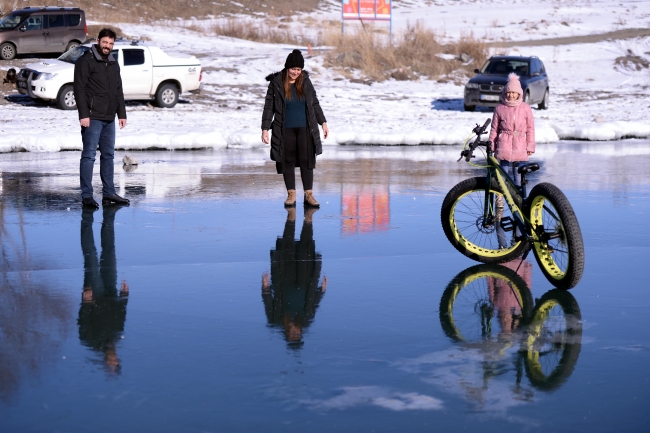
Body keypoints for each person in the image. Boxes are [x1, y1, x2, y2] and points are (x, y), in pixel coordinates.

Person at [261, 49, 329, 208]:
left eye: (298, 70)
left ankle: (309, 194)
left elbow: (314, 103)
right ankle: (291, 194)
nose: (295, 73)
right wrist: (265, 128)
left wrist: (323, 122)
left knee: (307, 161)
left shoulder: (305, 81)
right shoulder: (276, 83)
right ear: (287, 68)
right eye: (293, 69)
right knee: (287, 161)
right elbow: (268, 107)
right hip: (284, 129)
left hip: (305, 128)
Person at [74, 28, 129, 209]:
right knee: (89, 155)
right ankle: (87, 196)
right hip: (92, 116)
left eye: (111, 44)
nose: (107, 46)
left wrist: (121, 113)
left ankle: (109, 193)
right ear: (98, 40)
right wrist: (83, 114)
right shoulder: (85, 61)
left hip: (109, 117)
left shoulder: (114, 63)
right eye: (105, 42)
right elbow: (79, 89)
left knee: (108, 156)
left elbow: (118, 90)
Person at [261, 207, 327, 348]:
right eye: (298, 335)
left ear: (287, 334)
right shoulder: (306, 319)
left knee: (287, 248)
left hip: (284, 281)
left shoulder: (276, 319)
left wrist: (265, 288)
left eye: (293, 336)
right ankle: (308, 221)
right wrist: (321, 290)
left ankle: (291, 219)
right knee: (305, 248)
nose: (296, 332)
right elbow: (313, 303)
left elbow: (268, 302)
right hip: (305, 281)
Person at [78, 205, 130, 374]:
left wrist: (86, 303)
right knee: (110, 251)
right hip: (111, 291)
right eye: (115, 359)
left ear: (106, 362)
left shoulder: (91, 340)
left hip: (95, 295)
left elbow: (82, 322)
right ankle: (109, 218)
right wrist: (124, 296)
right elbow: (121, 313)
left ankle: (86, 221)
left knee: (91, 256)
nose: (113, 357)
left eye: (111, 361)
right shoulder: (116, 335)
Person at [488, 72, 536, 190]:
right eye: (508, 92)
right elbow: (494, 128)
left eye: (513, 92)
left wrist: (530, 146)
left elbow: (530, 128)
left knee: (518, 174)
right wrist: (491, 145)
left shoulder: (525, 108)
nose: (511, 95)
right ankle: (499, 198)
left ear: (519, 93)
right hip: (503, 144)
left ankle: (518, 199)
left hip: (520, 146)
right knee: (502, 174)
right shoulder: (500, 108)